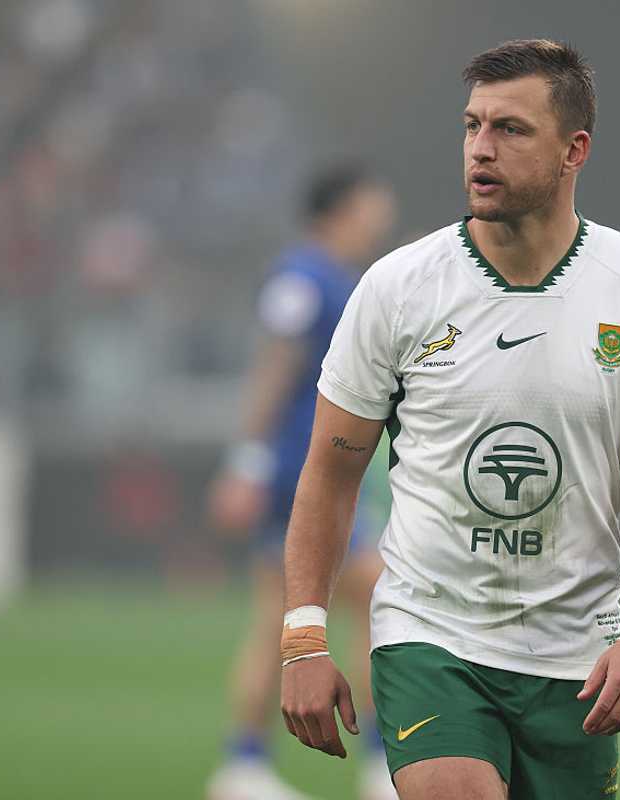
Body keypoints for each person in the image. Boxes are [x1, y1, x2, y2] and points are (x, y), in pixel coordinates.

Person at [279, 39, 620, 800]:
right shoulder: (398, 290)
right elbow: (330, 471)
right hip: (430, 636)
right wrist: (304, 634)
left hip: (576, 658)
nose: (481, 148)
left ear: (574, 149)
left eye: (510, 129)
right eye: (473, 126)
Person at [206, 165, 398, 800]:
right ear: (343, 207)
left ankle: (244, 763)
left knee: (282, 615)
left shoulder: (339, 279)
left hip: (318, 469)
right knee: (371, 602)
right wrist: (249, 462)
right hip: (299, 473)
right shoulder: (303, 276)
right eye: (374, 200)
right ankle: (376, 763)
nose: (383, 212)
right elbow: (275, 365)